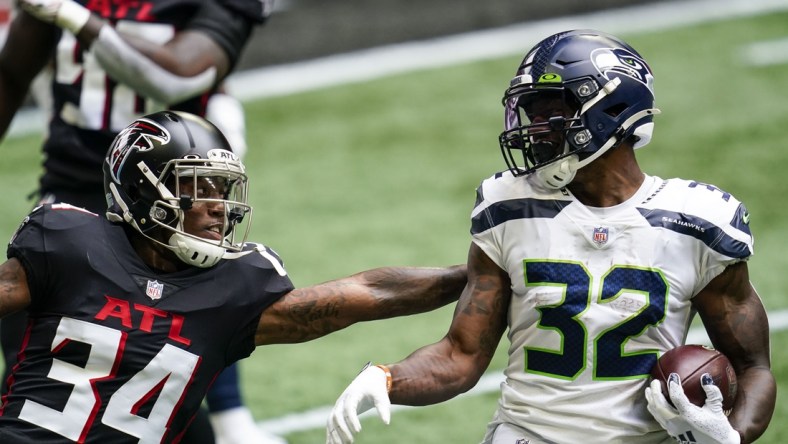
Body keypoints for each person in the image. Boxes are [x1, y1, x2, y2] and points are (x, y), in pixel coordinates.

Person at [325, 29, 776, 444]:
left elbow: (753, 368)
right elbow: (460, 356)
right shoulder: (509, 206)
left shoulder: (698, 221)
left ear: (609, 109)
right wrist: (386, 377)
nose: (534, 128)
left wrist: (730, 434)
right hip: (528, 434)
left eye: (550, 112)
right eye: (531, 113)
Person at [0, 110, 466, 443]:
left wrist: (476, 271)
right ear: (141, 190)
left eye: (222, 190)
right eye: (196, 188)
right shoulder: (68, 244)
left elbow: (368, 292)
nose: (218, 207)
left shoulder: (233, 289)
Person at [0, 0, 265, 441]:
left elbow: (179, 73)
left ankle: (233, 417)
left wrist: (75, 16)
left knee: (178, 342)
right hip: (75, 197)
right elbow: (11, 72)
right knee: (39, 377)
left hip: (171, 203)